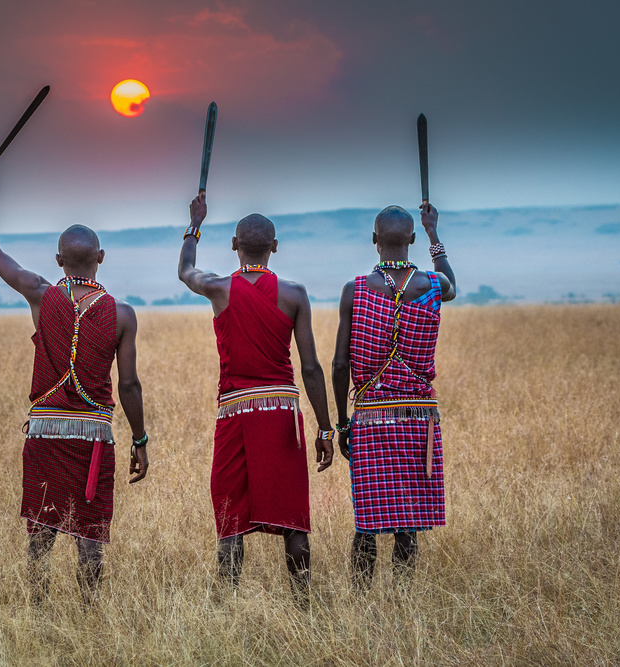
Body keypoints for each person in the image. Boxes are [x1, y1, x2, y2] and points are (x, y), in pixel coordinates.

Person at [0, 162, 149, 604]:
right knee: (89, 531)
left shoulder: (40, 293)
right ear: (101, 258)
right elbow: (129, 386)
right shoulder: (121, 314)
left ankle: (38, 611)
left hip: (45, 433)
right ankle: (90, 613)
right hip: (93, 436)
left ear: (58, 262)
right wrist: (140, 439)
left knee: (42, 529)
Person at [178, 192, 334, 604]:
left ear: (234, 246)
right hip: (282, 413)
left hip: (234, 413)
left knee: (231, 516)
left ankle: (226, 607)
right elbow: (312, 368)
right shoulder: (295, 293)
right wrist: (326, 428)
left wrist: (194, 223)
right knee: (293, 515)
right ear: (275, 247)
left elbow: (185, 270)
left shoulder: (217, 288)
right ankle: (304, 608)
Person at [331, 202, 457, 589]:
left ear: (374, 241)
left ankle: (362, 601)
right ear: (412, 240)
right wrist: (435, 233)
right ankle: (402, 601)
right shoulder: (433, 286)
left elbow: (338, 366)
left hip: (370, 418)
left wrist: (341, 423)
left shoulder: (356, 290)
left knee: (368, 519)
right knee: (407, 519)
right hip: (418, 421)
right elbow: (452, 282)